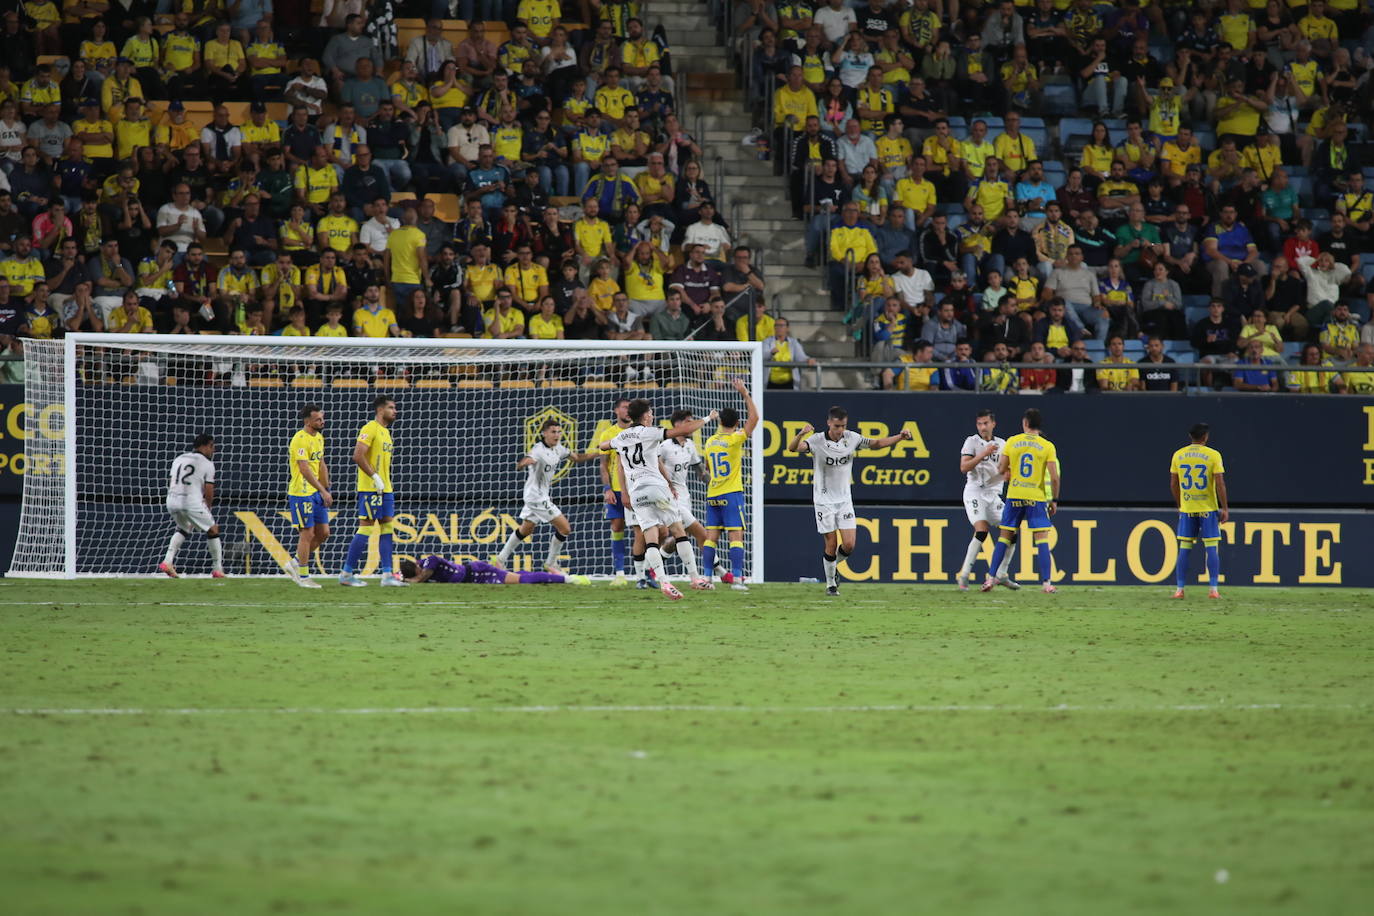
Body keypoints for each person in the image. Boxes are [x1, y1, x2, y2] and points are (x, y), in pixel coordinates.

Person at [600, 399, 718, 601]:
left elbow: (603, 446)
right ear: (645, 416)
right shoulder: (650, 432)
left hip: (637, 493)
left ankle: (664, 582)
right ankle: (694, 578)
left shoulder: (620, 437)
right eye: (651, 413)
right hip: (656, 487)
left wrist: (615, 444)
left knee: (650, 537)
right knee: (678, 531)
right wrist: (708, 418)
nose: (653, 415)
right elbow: (683, 430)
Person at [788, 405, 913, 596]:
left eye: (843, 426)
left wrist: (900, 437)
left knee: (849, 545)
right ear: (829, 423)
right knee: (831, 544)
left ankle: (831, 568)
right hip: (824, 500)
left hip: (844, 500)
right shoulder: (817, 440)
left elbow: (877, 443)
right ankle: (831, 584)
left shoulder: (852, 438)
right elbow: (793, 448)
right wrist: (800, 434)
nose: (840, 430)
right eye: (837, 426)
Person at [494, 418, 600, 574]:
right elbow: (525, 460)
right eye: (553, 432)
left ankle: (500, 560)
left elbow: (577, 458)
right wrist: (523, 463)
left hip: (538, 495)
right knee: (565, 528)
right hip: (536, 497)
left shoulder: (559, 448)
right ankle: (551, 564)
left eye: (559, 432)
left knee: (526, 529)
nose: (557, 435)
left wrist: (598, 453)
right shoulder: (538, 450)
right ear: (544, 433)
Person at [982, 407, 1060, 594]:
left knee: (1004, 537)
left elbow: (1002, 469)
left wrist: (1009, 471)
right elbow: (1054, 477)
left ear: (1025, 423)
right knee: (1041, 539)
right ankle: (1047, 583)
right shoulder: (1047, 446)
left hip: (1015, 494)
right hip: (1036, 496)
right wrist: (1054, 500)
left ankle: (990, 579)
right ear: (1039, 425)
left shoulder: (1012, 441)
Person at [340, 396, 405, 587]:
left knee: (387, 528)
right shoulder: (370, 428)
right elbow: (358, 455)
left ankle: (387, 575)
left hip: (386, 489)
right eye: (391, 408)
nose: (395, 411)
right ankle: (346, 574)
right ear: (380, 410)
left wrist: (382, 481)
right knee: (366, 528)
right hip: (371, 488)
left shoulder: (386, 432)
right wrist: (374, 476)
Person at [702, 379, 761, 590]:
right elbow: (754, 419)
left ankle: (707, 579)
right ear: (736, 423)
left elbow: (707, 468)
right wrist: (745, 393)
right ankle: (736, 579)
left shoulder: (710, 442)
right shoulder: (734, 439)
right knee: (736, 537)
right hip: (731, 493)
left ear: (719, 422)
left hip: (713, 494)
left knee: (711, 538)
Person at [956, 409, 1015, 592]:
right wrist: (983, 453)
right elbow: (964, 467)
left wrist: (1008, 474)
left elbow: (1006, 469)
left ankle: (1002, 574)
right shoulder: (972, 442)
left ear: (993, 424)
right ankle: (964, 575)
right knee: (982, 530)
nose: (982, 427)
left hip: (993, 495)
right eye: (979, 424)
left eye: (986, 423)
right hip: (975, 492)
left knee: (1012, 530)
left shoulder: (1003, 444)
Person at [1169, 423, 1228, 600]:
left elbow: (1173, 484)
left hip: (1188, 508)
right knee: (1211, 548)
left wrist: (1180, 505)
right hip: (1208, 509)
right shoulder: (1213, 455)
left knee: (1184, 548)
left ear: (1190, 436)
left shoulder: (1178, 455)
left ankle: (1179, 590)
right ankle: (1213, 590)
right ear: (1205, 437)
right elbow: (1220, 483)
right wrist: (1224, 507)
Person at [159, 433, 224, 579]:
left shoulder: (179, 458)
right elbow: (209, 490)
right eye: (212, 446)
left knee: (184, 528)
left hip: (172, 500)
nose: (213, 450)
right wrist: (208, 508)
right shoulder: (207, 464)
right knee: (213, 529)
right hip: (190, 501)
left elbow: (171, 481)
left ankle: (167, 561)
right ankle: (217, 569)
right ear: (205, 446)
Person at [284, 404, 332, 590]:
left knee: (324, 533)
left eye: (322, 418)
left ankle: (295, 562)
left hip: (316, 492)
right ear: (308, 421)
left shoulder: (319, 438)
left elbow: (321, 464)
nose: (322, 421)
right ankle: (303, 576)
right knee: (307, 533)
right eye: (318, 419)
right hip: (301, 492)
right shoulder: (299, 439)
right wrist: (322, 490)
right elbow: (304, 469)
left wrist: (326, 489)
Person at [596, 397, 634, 585]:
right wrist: (607, 489)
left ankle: (645, 573)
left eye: (630, 408)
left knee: (643, 531)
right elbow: (604, 466)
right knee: (617, 527)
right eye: (624, 407)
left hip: (636, 490)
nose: (628, 410)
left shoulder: (638, 431)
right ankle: (620, 573)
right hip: (617, 491)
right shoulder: (608, 434)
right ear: (616, 411)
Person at [399, 555, 589, 586]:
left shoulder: (430, 562)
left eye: (417, 572)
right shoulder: (421, 567)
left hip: (479, 573)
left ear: (417, 568)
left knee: (523, 581)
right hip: (475, 575)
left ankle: (568, 579)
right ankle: (555, 576)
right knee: (520, 576)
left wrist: (409, 580)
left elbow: (422, 577)